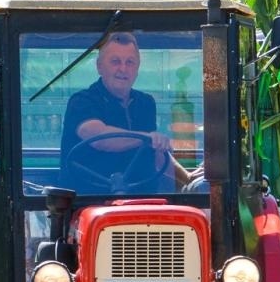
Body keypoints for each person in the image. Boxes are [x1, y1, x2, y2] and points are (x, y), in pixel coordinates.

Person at [59, 32, 188, 192]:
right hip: (89, 199)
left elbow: (155, 154)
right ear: (99, 66)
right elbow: (99, 137)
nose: (123, 69)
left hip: (142, 199)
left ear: (137, 68)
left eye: (130, 62)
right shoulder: (82, 101)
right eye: (115, 62)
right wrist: (146, 137)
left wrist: (188, 180)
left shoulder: (145, 103)